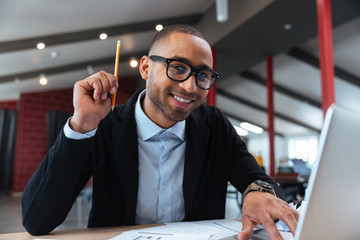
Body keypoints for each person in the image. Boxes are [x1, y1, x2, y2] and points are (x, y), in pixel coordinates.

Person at [22, 24, 298, 239]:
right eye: (178, 67)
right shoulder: (104, 125)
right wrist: (81, 126)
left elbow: (259, 181)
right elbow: (37, 220)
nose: (191, 87)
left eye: (203, 75)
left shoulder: (214, 126)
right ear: (145, 67)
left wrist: (257, 193)